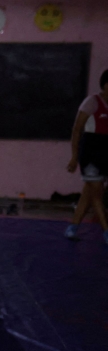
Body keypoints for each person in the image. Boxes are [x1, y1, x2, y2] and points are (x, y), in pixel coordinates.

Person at [65, 69, 108, 244]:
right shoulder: (92, 102)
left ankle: (73, 226)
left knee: (89, 191)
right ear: (106, 85)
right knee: (97, 193)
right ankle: (106, 230)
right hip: (90, 152)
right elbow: (76, 130)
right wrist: (74, 157)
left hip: (105, 152)